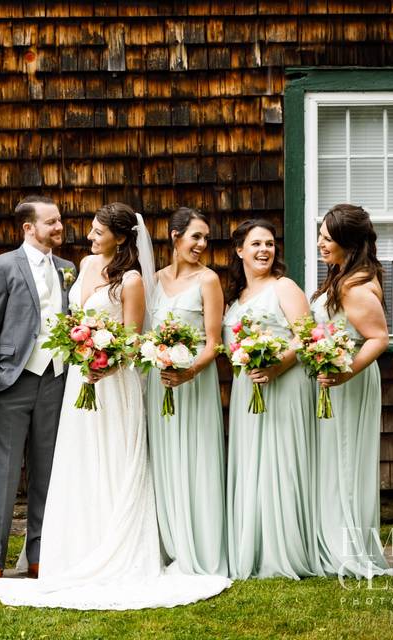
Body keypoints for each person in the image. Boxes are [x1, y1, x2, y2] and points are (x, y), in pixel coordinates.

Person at [0, 203, 230, 609]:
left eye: (98, 231)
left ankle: (114, 547)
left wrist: (104, 361)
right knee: (78, 462)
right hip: (77, 375)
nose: (89, 236)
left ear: (120, 237)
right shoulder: (80, 265)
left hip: (113, 383)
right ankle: (71, 548)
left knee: (111, 460)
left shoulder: (131, 281)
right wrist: (83, 354)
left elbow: (130, 339)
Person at [0, 195, 75, 584]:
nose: (59, 227)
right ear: (28, 228)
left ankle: (39, 554)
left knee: (46, 471)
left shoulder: (68, 268)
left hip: (56, 378)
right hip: (13, 381)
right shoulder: (1, 266)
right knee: (4, 472)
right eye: (51, 222)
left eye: (60, 221)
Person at [222, 220, 322, 580]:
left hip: (284, 384)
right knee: (252, 463)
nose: (264, 250)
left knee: (281, 461)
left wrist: (277, 365)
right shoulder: (235, 298)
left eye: (269, 243)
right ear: (240, 251)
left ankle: (285, 549)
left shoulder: (284, 287)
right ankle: (254, 545)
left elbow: (306, 336)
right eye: (256, 244)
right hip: (248, 387)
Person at [146, 207, 228, 577]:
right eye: (196, 236)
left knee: (196, 455)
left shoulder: (208, 280)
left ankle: (201, 544)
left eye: (206, 238)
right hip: (159, 379)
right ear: (175, 236)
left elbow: (214, 343)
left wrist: (189, 371)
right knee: (164, 456)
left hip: (195, 380)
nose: (202, 244)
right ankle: (170, 543)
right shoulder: (153, 279)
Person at [312, 204, 392, 577]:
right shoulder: (344, 274)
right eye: (321, 236)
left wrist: (345, 373)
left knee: (344, 460)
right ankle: (333, 539)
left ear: (347, 241)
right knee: (334, 459)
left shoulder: (357, 286)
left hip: (349, 381)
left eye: (328, 238)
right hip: (338, 377)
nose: (320, 244)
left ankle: (347, 548)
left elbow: (378, 338)